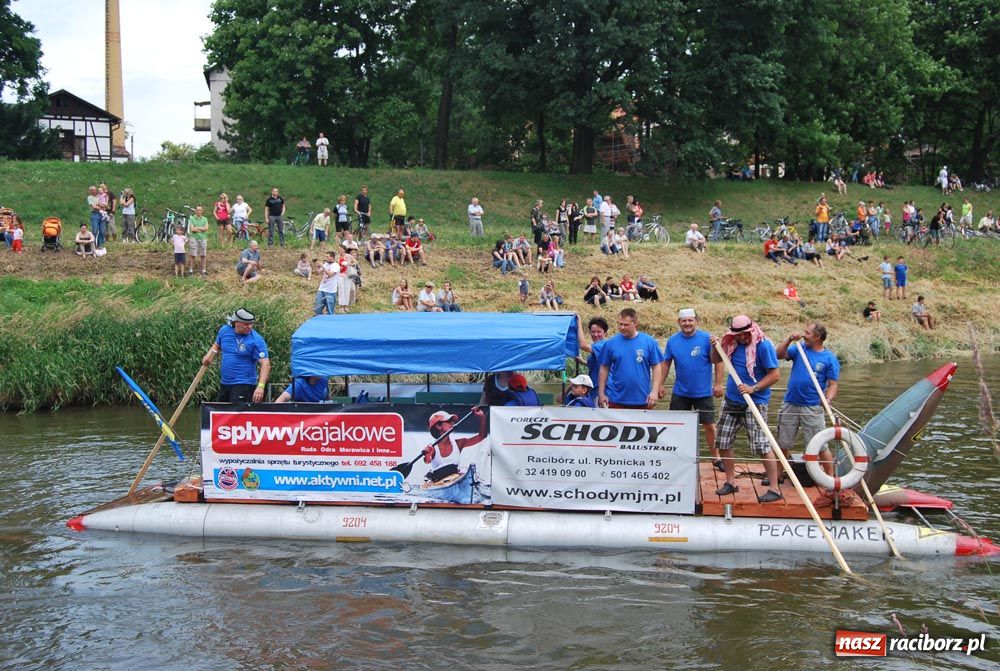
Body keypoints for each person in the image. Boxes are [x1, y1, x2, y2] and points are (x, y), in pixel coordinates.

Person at [710, 315, 782, 503]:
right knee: (723, 441)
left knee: (762, 445)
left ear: (751, 330)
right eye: (738, 334)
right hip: (731, 400)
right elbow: (715, 359)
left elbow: (775, 375)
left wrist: (754, 388)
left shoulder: (763, 346)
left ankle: (774, 488)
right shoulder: (731, 343)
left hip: (755, 402)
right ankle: (730, 482)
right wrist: (715, 346)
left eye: (745, 334)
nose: (742, 337)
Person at [774, 324, 842, 503]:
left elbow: (833, 384)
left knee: (820, 445)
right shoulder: (799, 349)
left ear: (818, 337)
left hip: (812, 407)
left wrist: (828, 399)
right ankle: (778, 475)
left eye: (807, 333)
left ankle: (829, 479)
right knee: (783, 442)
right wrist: (789, 339)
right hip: (790, 403)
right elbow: (778, 355)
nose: (804, 335)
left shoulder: (829, 358)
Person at [661, 308, 725, 469]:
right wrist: (660, 384)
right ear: (679, 322)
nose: (687, 323)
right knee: (676, 425)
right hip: (680, 392)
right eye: (684, 321)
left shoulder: (707, 339)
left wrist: (718, 383)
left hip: (703, 392)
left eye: (690, 320)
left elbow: (719, 361)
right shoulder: (672, 341)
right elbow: (666, 363)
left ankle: (716, 457)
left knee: (709, 425)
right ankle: (677, 456)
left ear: (696, 321)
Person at [597, 308, 665, 410]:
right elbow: (604, 368)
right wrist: (601, 393)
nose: (622, 327)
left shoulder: (649, 342)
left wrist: (654, 391)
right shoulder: (611, 343)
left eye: (626, 325)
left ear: (635, 323)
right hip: (617, 399)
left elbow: (656, 366)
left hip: (643, 399)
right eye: (620, 324)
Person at [202, 308, 270, 403]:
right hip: (225, 383)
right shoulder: (225, 331)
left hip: (244, 384)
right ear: (236, 323)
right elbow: (217, 345)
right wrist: (208, 356)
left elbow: (265, 364)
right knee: (222, 410)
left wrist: (260, 387)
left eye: (251, 324)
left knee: (235, 411)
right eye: (246, 324)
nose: (250, 327)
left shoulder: (256, 340)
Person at [421, 407, 487, 483]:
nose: (452, 423)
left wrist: (482, 417)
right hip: (438, 480)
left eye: (452, 421)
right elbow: (427, 461)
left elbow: (482, 436)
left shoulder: (459, 443)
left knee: (461, 470)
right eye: (449, 421)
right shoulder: (432, 448)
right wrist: (427, 455)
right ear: (438, 426)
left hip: (454, 477)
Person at [185, 205, 209, 276]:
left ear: (202, 211)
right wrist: (202, 229)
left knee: (203, 254)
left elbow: (206, 228)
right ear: (195, 211)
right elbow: (192, 229)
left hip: (203, 238)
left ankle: (204, 270)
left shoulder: (205, 219)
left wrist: (197, 228)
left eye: (200, 210)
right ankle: (191, 270)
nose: (199, 211)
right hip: (194, 238)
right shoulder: (192, 219)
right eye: (197, 210)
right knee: (192, 254)